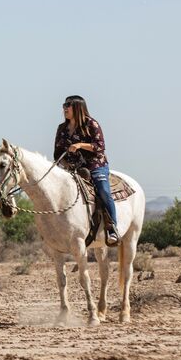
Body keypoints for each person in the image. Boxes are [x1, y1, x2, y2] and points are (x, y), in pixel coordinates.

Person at [54, 94, 118, 247]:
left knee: (103, 190)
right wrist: (63, 166)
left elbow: (99, 146)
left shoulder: (92, 124)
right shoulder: (61, 128)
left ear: (78, 107)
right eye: (64, 105)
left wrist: (80, 145)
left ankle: (112, 229)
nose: (64, 108)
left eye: (68, 105)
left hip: (95, 165)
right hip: (70, 168)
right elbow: (57, 153)